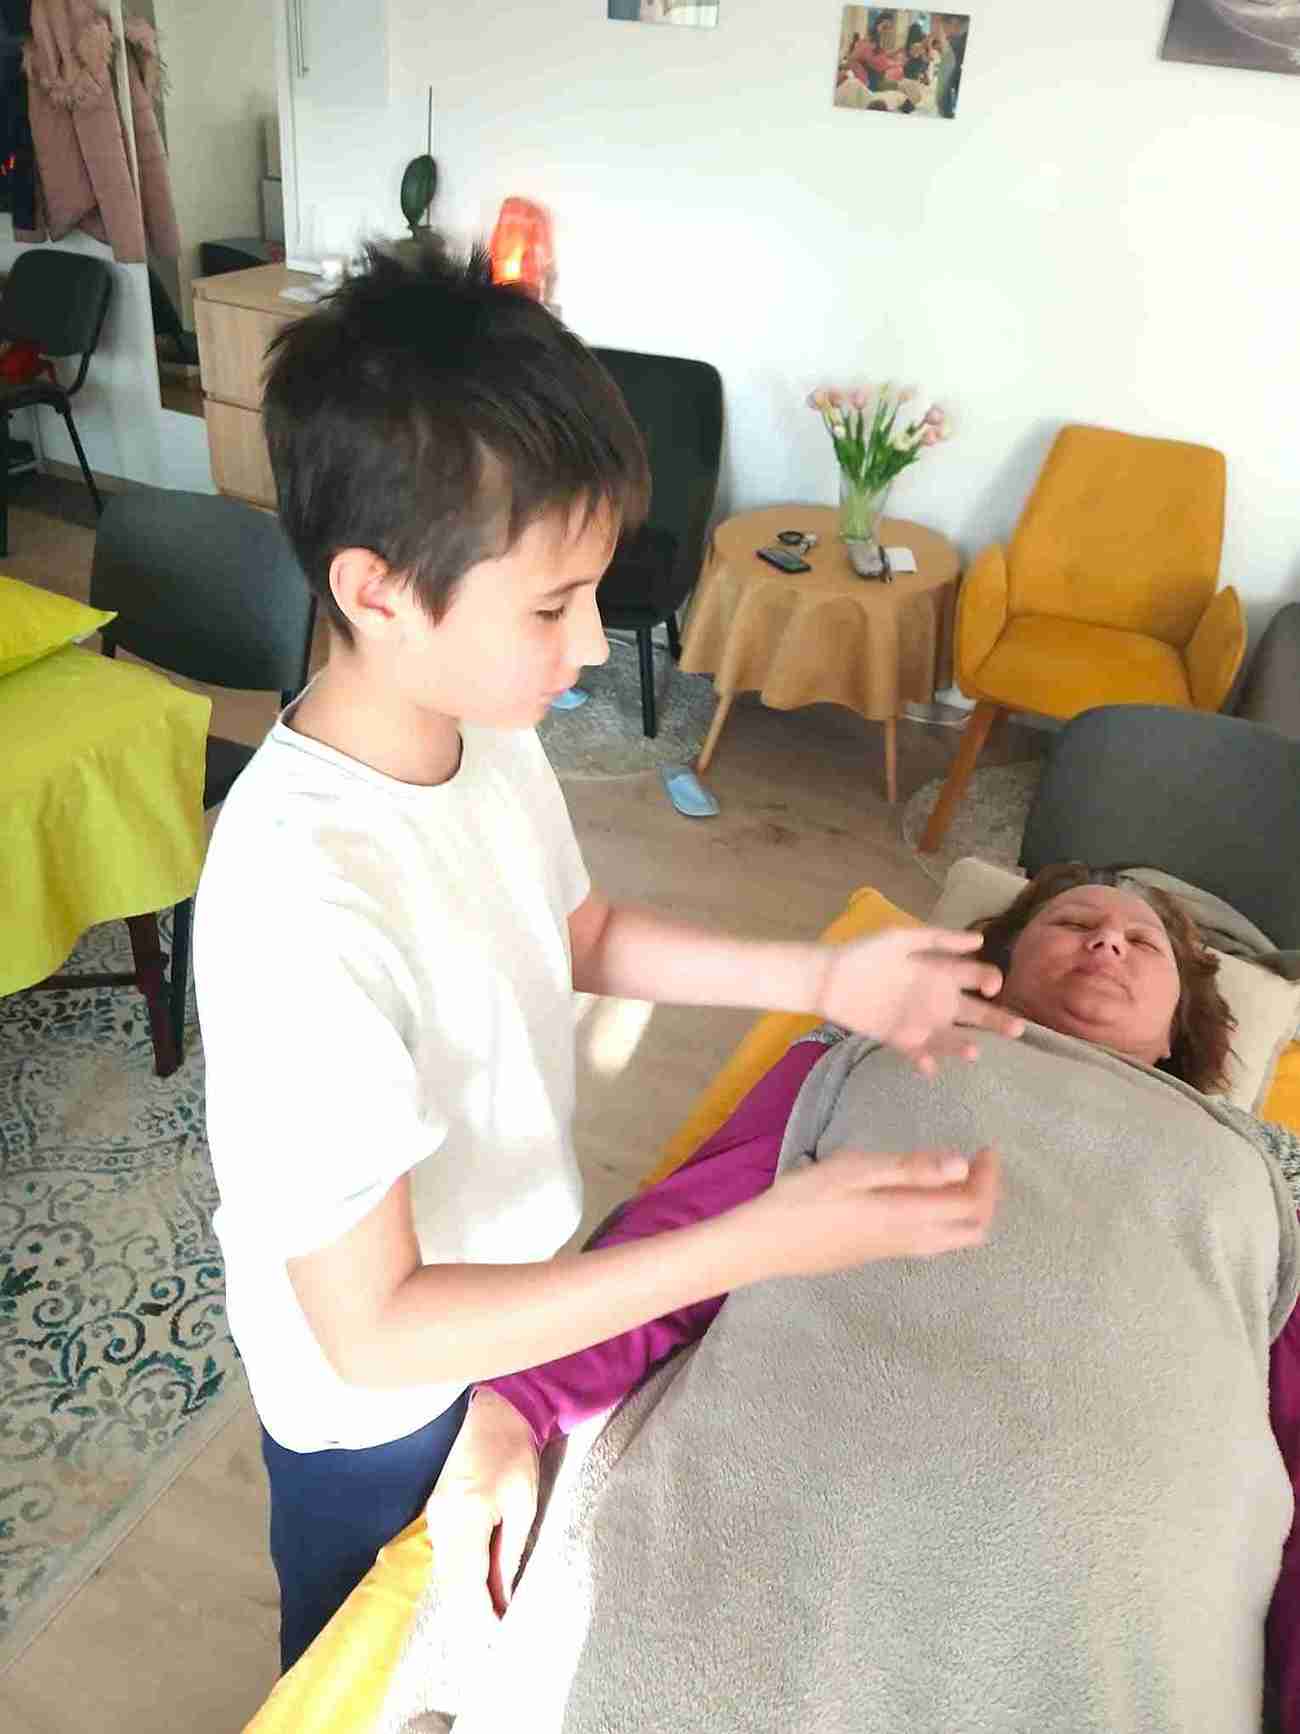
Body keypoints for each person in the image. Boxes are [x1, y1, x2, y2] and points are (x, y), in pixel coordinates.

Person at [192, 237, 1024, 1674]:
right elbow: (375, 1331)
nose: (587, 643)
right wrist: (757, 1240)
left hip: (516, 1304)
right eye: (547, 605)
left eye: (590, 591)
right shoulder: (298, 904)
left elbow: (576, 933)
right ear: (377, 588)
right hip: (381, 1414)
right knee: (361, 1672)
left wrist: (826, 980)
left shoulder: (480, 729)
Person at [424, 864, 1300, 1734]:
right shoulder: (868, 1051)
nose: (1108, 940)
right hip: (802, 1482)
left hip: (1123, 1582)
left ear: (1180, 1023)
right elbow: (694, 1226)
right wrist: (520, 1404)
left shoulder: (1260, 1167)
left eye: (1143, 941)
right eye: (1072, 922)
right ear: (996, 965)